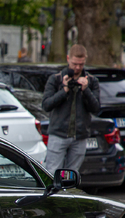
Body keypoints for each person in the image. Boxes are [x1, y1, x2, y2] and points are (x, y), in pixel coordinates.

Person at [42, 44, 101, 174]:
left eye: (81, 64)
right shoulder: (56, 79)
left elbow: (96, 108)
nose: (78, 67)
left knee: (72, 175)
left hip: (80, 135)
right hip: (58, 133)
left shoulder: (91, 81)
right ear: (68, 58)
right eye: (75, 64)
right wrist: (64, 90)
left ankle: (68, 194)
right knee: (52, 172)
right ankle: (54, 194)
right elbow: (46, 105)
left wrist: (86, 91)